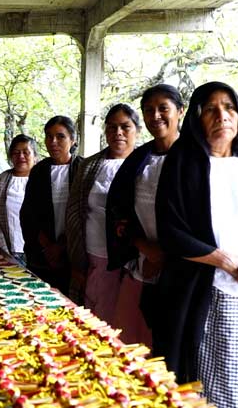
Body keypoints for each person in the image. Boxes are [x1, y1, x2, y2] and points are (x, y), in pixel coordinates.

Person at [154, 82, 238, 406]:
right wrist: (226, 261)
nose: (222, 115)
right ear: (197, 119)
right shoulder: (183, 164)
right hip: (210, 296)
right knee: (217, 394)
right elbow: (171, 229)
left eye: (229, 107)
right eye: (211, 109)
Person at [104, 84, 185, 346]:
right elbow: (120, 208)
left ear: (180, 112)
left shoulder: (194, 157)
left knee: (168, 345)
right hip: (141, 260)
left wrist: (165, 255)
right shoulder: (139, 159)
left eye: (164, 108)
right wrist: (143, 247)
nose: (156, 116)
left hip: (183, 266)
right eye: (149, 110)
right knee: (128, 340)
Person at [65, 104, 140, 319]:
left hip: (136, 259)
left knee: (129, 319)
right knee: (98, 316)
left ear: (137, 130)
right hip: (97, 254)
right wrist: (77, 260)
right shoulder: (89, 167)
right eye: (112, 127)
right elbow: (74, 213)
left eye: (125, 127)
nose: (118, 132)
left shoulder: (145, 164)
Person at [20, 116, 83, 295]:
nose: (53, 142)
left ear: (73, 140)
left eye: (60, 136)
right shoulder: (39, 171)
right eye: (49, 136)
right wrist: (48, 247)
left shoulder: (82, 169)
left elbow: (85, 214)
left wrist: (61, 246)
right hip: (42, 252)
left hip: (73, 251)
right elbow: (29, 214)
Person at [0, 135, 38, 265]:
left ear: (35, 156)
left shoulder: (43, 179)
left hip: (39, 250)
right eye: (16, 152)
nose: (21, 156)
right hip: (10, 247)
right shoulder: (0, 181)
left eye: (26, 152)